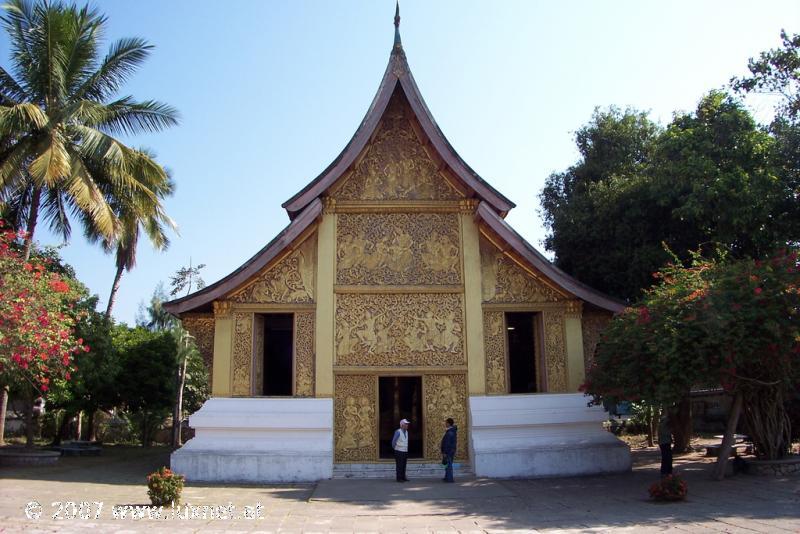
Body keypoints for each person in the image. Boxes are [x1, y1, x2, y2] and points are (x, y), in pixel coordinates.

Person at [440, 417, 458, 483]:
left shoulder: (450, 432)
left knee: (448, 465)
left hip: (448, 451)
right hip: (451, 450)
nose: (445, 424)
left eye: (446, 422)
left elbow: (447, 443)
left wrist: (444, 452)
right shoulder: (452, 431)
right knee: (447, 465)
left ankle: (449, 479)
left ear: (448, 423)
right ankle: (447, 477)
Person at [658, 411, 673, 476]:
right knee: (666, 457)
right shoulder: (663, 425)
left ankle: (668, 471)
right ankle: (665, 472)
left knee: (668, 457)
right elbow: (666, 433)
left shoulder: (663, 424)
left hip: (665, 442)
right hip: (664, 443)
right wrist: (671, 430)